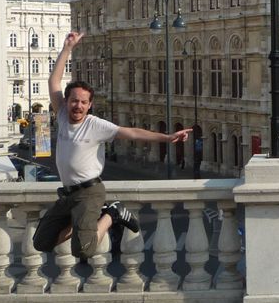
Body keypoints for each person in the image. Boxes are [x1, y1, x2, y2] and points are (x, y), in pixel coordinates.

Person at [33, 31, 191, 260]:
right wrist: (68, 48)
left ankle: (112, 213)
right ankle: (80, 221)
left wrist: (166, 138)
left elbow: (133, 132)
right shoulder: (62, 116)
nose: (78, 105)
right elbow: (53, 81)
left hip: (89, 193)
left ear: (89, 105)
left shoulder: (96, 125)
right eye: (74, 100)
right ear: (67, 101)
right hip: (67, 195)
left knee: (83, 250)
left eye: (83, 102)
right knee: (41, 242)